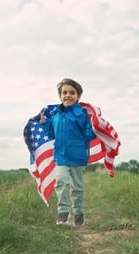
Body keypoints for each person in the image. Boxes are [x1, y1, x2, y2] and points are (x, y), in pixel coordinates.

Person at [39, 78, 97, 227]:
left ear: (78, 96)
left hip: (78, 156)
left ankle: (78, 213)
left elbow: (90, 134)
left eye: (72, 92)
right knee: (61, 182)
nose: (68, 95)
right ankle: (63, 214)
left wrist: (93, 126)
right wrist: (45, 124)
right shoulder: (55, 115)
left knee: (77, 187)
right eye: (64, 92)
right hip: (61, 156)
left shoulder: (81, 114)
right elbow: (52, 134)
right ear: (60, 96)